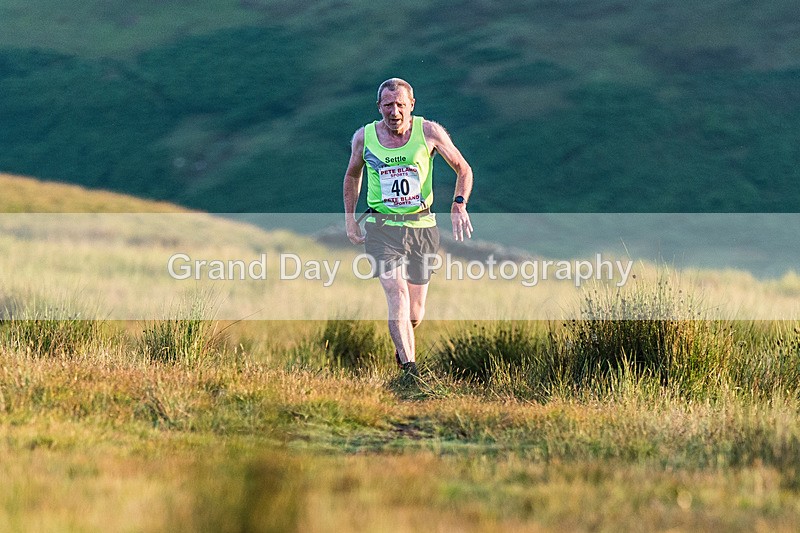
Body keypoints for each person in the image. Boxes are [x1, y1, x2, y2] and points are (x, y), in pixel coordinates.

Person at [343, 77, 474, 378]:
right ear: (378, 107)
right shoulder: (364, 138)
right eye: (388, 105)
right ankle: (411, 374)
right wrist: (350, 217)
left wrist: (458, 204)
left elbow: (463, 168)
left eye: (400, 104)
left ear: (411, 105)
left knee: (414, 313)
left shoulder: (429, 132)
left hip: (422, 228)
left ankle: (402, 349)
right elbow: (352, 176)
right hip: (381, 228)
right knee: (396, 294)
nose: (394, 111)